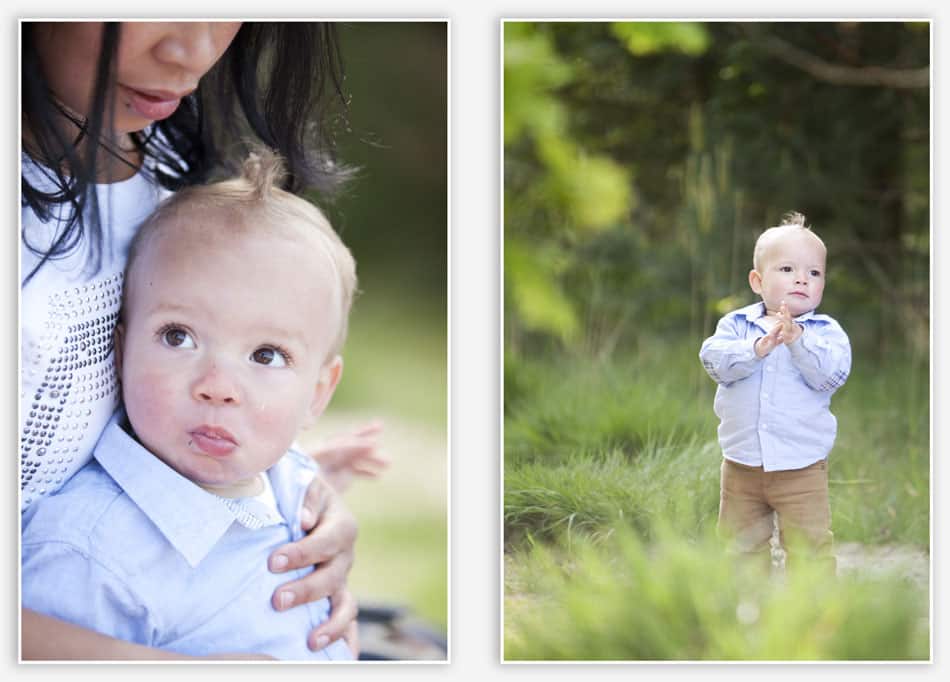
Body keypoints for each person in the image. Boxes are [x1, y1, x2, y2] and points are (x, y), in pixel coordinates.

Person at [20, 21, 384, 659]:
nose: (193, 54)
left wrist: (308, 506)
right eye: (178, 336)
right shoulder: (87, 557)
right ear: (120, 340)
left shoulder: (167, 175)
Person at [698, 212, 851, 574]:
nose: (802, 278)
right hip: (741, 466)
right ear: (757, 280)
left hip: (801, 468)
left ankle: (813, 618)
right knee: (740, 546)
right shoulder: (736, 325)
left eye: (814, 273)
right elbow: (714, 362)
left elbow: (831, 377)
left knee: (809, 547)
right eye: (787, 269)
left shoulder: (824, 333)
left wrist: (797, 344)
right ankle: (749, 613)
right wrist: (755, 349)